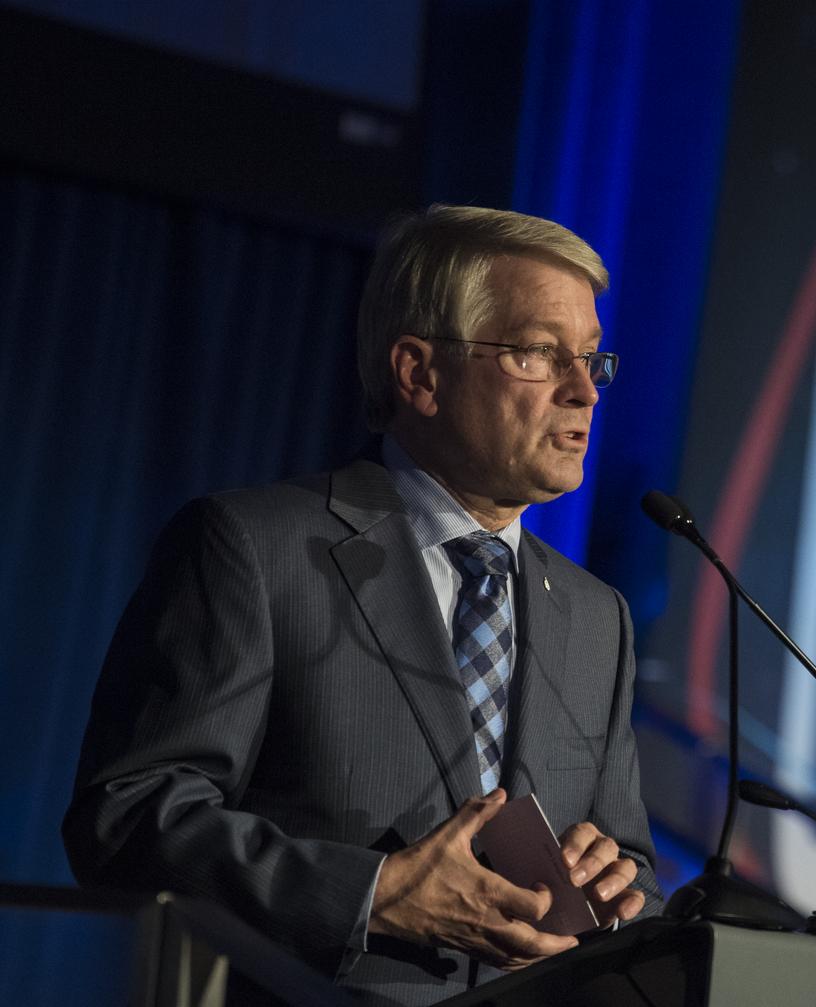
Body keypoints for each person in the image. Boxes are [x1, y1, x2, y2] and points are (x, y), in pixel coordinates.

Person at [62, 205, 663, 1005]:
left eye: (591, 359)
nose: (584, 390)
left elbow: (634, 868)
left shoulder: (598, 618)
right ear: (419, 373)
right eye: (536, 354)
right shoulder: (255, 546)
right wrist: (372, 892)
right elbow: (129, 816)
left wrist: (617, 886)